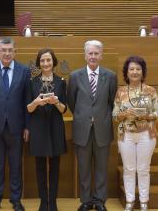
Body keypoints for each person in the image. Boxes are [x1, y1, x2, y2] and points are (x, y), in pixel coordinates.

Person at [67, 40, 117, 211]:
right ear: (85, 55)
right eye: (90, 53)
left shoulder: (110, 76)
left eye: (96, 53)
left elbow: (111, 102)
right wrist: (84, 117)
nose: (93, 56)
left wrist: (99, 117)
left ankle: (99, 201)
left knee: (102, 168)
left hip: (102, 129)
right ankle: (86, 201)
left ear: (101, 55)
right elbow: (72, 102)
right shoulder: (75, 76)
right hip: (82, 129)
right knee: (84, 167)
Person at [0, 37, 31, 211]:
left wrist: (27, 126)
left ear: (15, 51)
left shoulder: (24, 70)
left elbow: (27, 100)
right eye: (4, 50)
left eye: (10, 50)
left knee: (16, 165)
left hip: (17, 127)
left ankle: (16, 200)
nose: (7, 53)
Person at [112, 56, 158, 211]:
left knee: (143, 168)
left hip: (146, 134)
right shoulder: (120, 92)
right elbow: (114, 116)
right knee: (128, 168)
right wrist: (124, 113)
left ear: (143, 72)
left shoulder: (150, 91)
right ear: (126, 73)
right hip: (125, 134)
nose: (135, 72)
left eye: (138, 69)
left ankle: (144, 201)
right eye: (131, 69)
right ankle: (129, 200)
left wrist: (146, 115)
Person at [26, 48, 67, 211]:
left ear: (53, 62)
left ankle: (53, 201)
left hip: (55, 126)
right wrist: (36, 102)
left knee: (55, 166)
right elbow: (28, 109)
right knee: (40, 167)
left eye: (48, 60)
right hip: (38, 127)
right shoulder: (32, 82)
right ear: (38, 63)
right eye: (42, 61)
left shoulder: (61, 81)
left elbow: (64, 109)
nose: (45, 63)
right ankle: (43, 202)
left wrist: (56, 102)